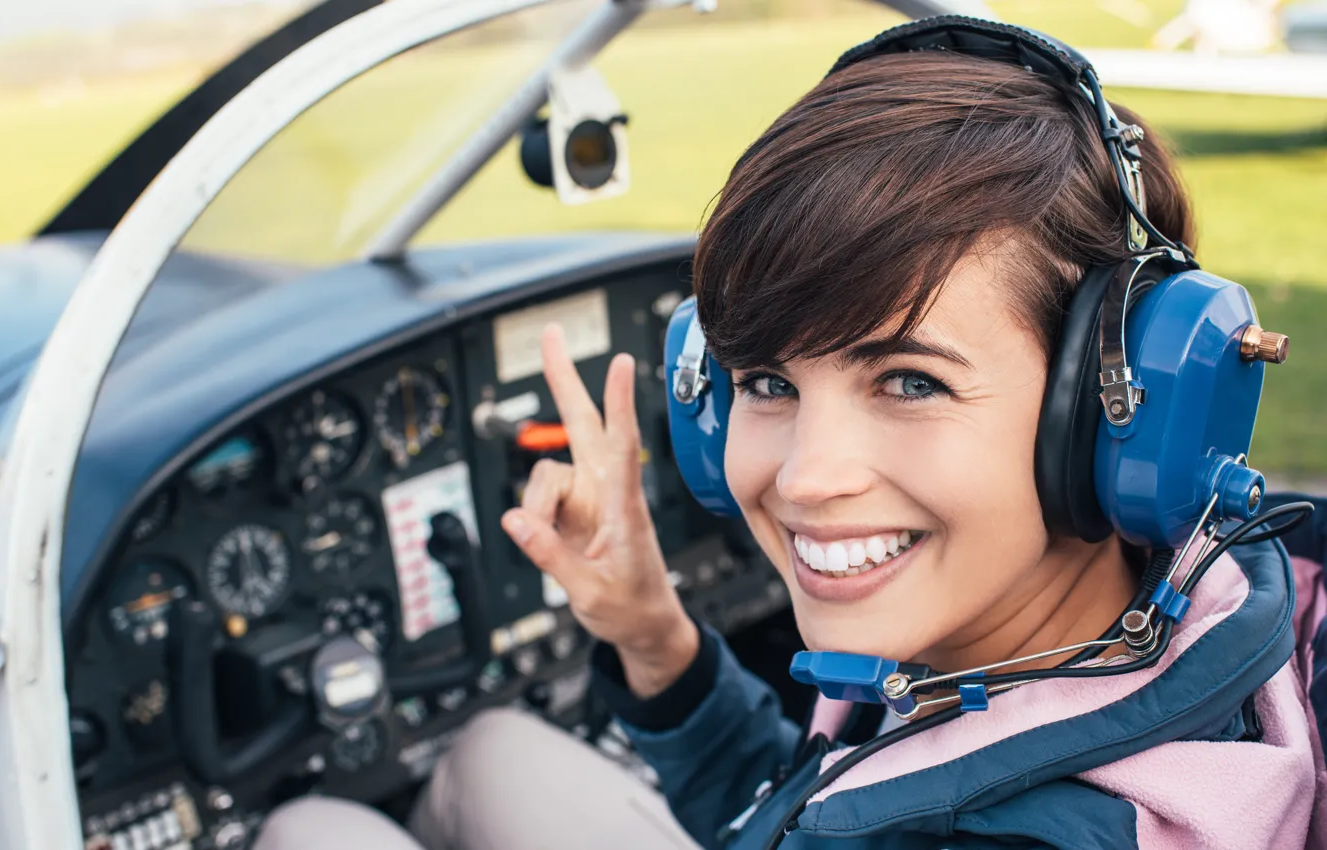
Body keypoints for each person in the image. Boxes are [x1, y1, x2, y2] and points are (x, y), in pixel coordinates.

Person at [253, 17, 1326, 850]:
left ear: (1117, 407)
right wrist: (651, 632)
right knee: (484, 751)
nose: (806, 478)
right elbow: (820, 805)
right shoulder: (1207, 598)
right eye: (766, 379)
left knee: (308, 828)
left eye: (909, 381)